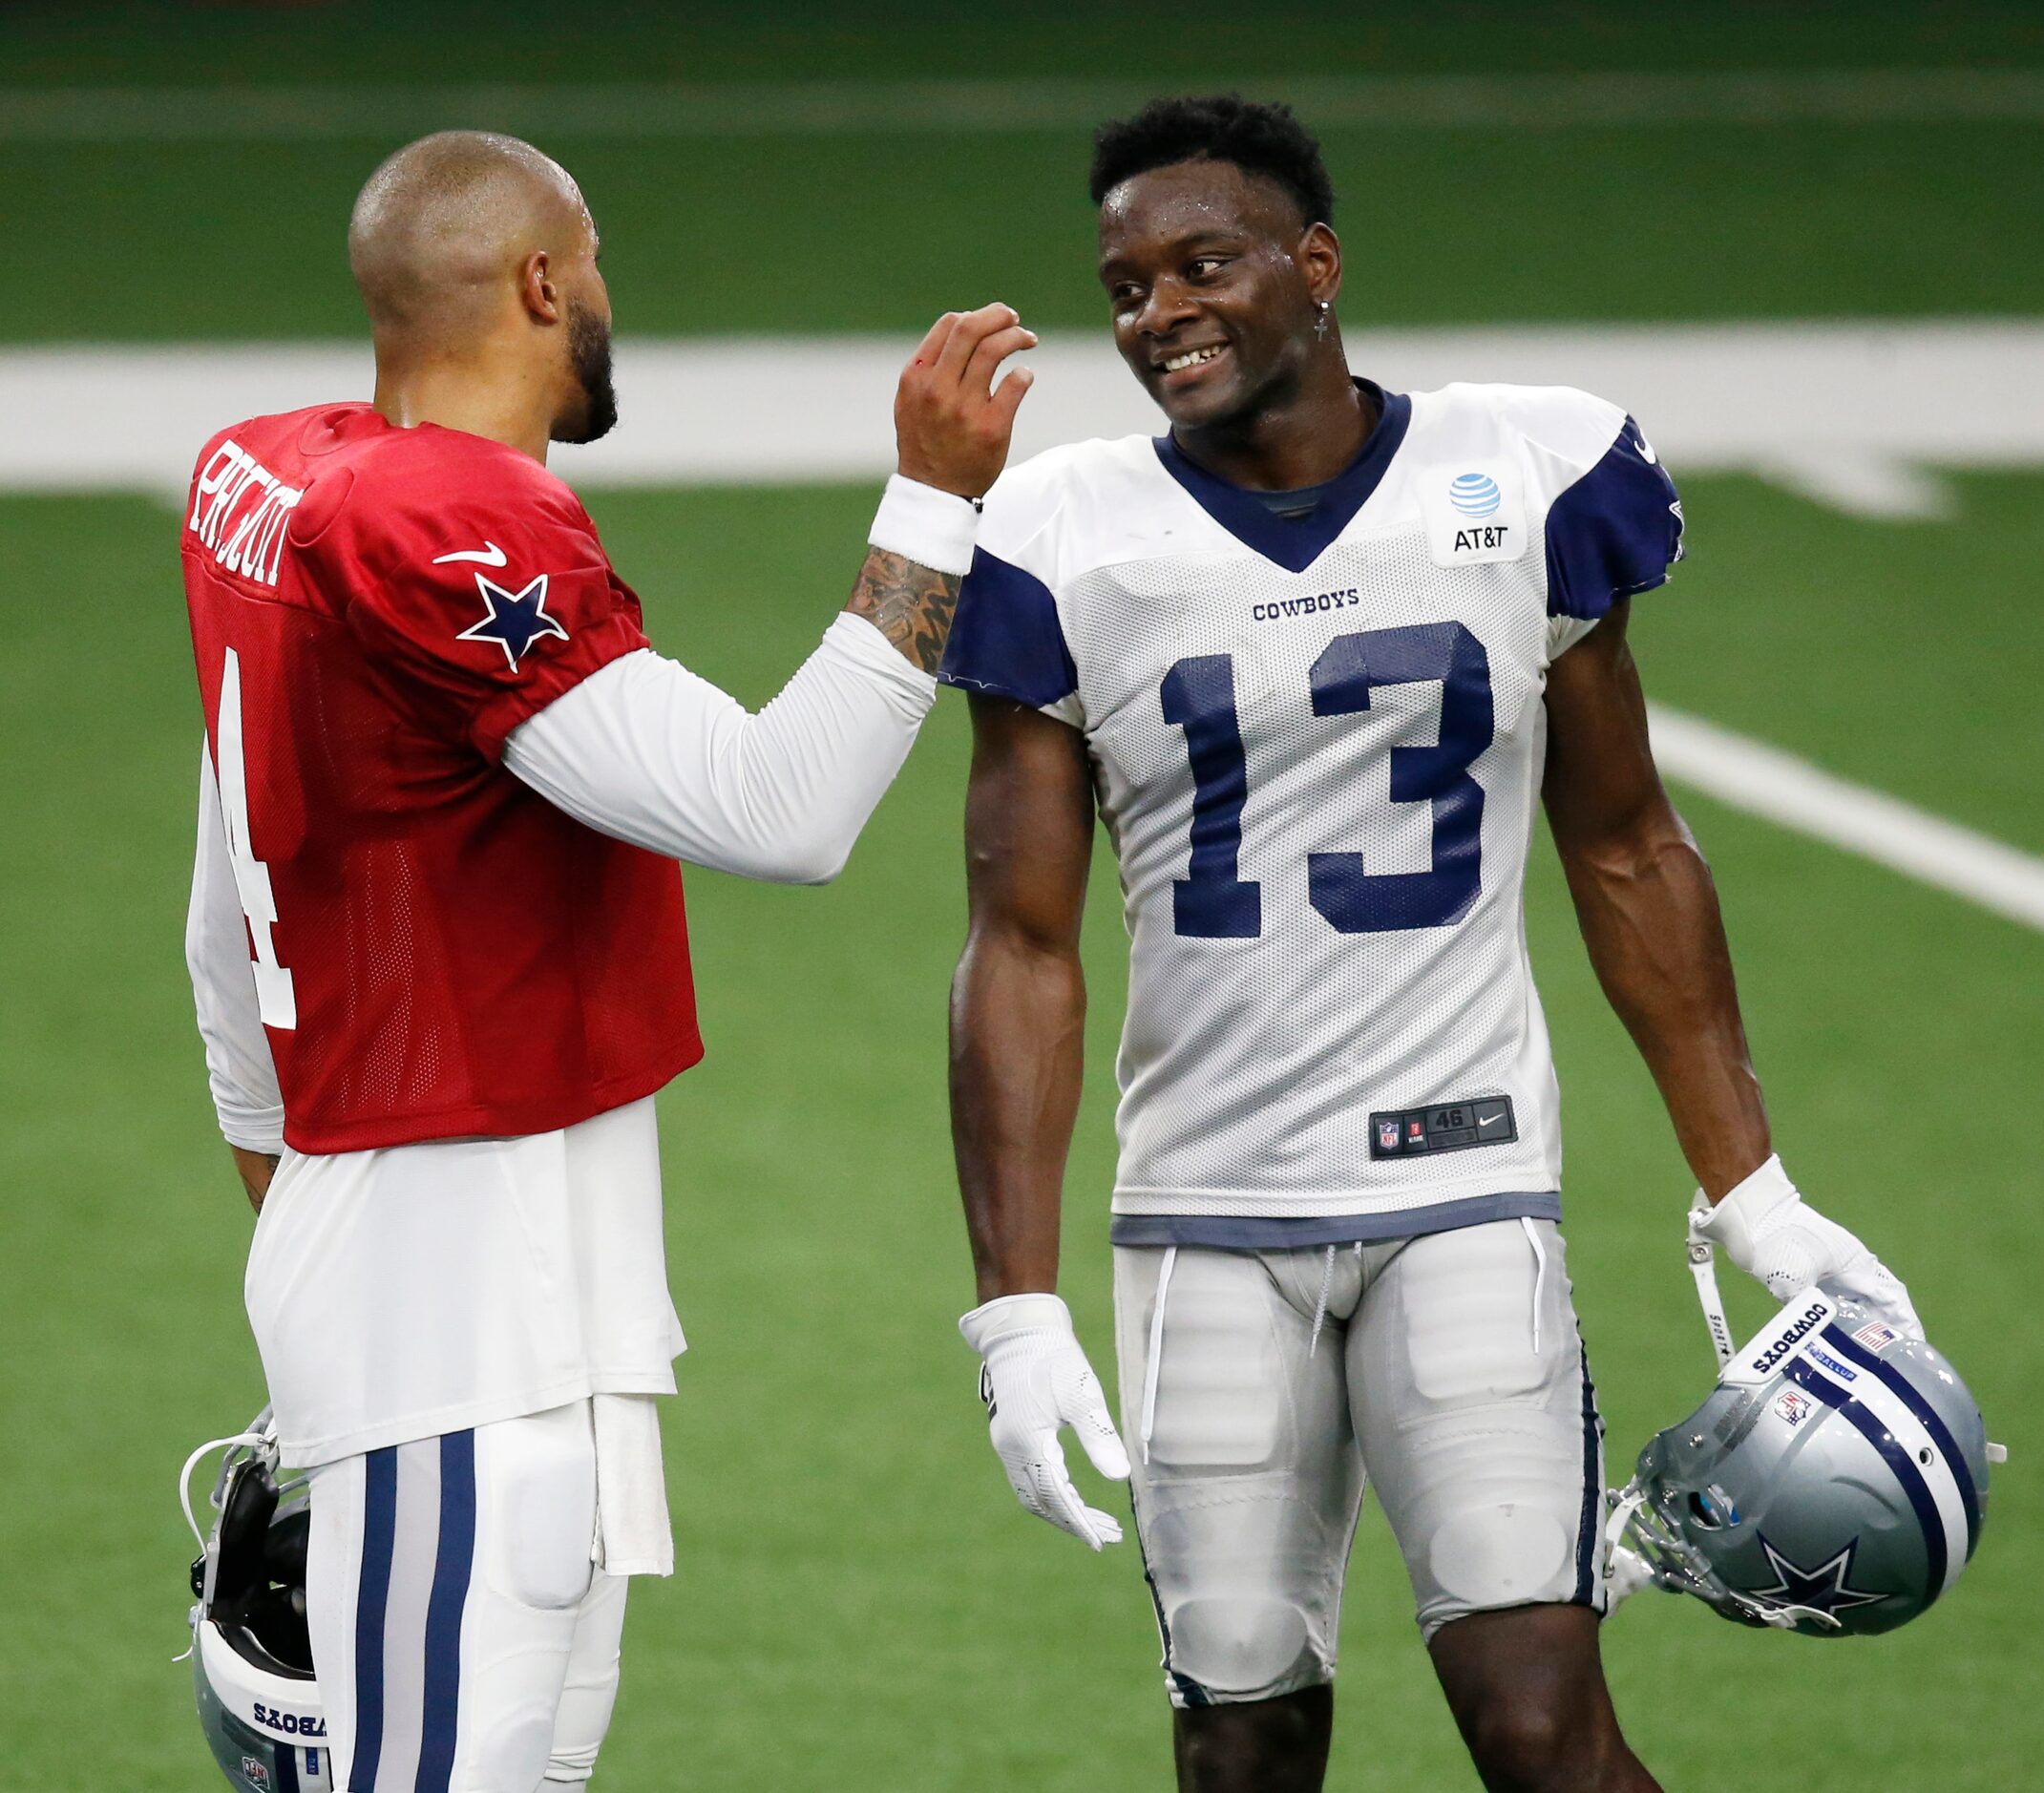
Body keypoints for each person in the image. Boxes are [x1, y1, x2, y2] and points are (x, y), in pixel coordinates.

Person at [941, 95, 1922, 1793]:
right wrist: (1013, 1311)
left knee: (1542, 1730)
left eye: (1204, 263)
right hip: (1202, 1221)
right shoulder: (1058, 532)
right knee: (1240, 1746)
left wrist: (1748, 1184)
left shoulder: (1521, 466)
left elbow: (1623, 844)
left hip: (1463, 1194)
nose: (1157, 311)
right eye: (1123, 284)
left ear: (1315, 267)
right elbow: (1016, 945)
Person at [180, 129, 1033, 1792]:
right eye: (600, 262)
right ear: (543, 284)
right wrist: (934, 497)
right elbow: (780, 811)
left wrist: (288, 1212)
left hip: (499, 1265)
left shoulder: (275, 475)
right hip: (450, 1285)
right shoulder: (440, 530)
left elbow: (222, 905)